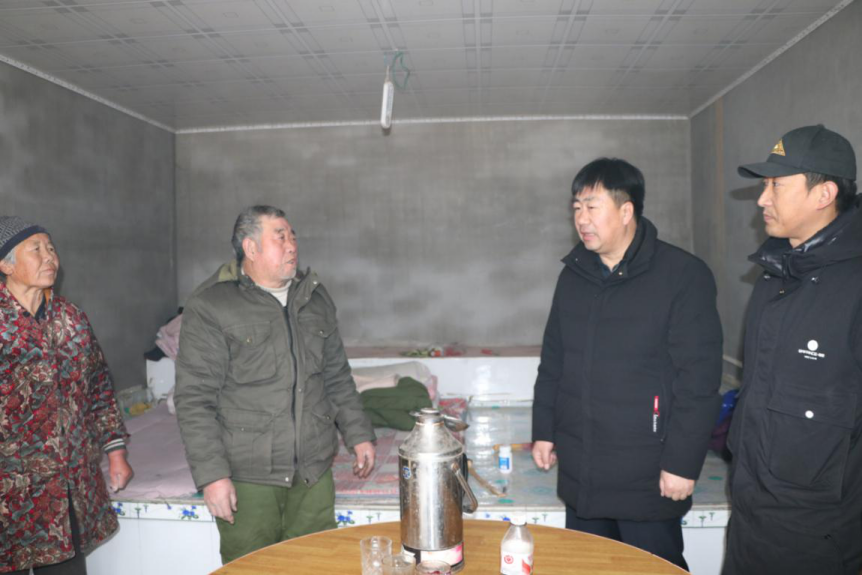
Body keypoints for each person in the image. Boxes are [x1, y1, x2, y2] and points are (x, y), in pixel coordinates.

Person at [531, 158, 723, 569]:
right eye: (576, 207)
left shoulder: (681, 276)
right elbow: (554, 361)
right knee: (587, 566)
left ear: (626, 210)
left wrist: (682, 463)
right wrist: (544, 429)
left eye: (592, 206)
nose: (581, 218)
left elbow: (699, 381)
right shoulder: (574, 276)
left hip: (646, 471)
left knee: (651, 567)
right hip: (583, 467)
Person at [174, 205, 376, 564]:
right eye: (279, 237)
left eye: (292, 236)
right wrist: (213, 476)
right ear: (250, 248)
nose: (292, 245)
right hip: (249, 480)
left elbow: (336, 376)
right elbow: (195, 399)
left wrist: (359, 433)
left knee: (317, 566)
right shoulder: (212, 305)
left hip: (313, 474)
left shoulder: (314, 298)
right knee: (253, 568)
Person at [725, 125, 862, 575]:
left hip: (819, 535)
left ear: (823, 194)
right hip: (750, 515)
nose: (762, 199)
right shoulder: (775, 273)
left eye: (776, 186)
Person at [0, 216, 133, 574]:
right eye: (36, 249)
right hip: (8, 490)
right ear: (6, 265)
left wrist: (115, 451)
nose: (50, 258)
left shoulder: (71, 318)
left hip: (65, 488)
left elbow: (99, 387)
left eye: (51, 248)